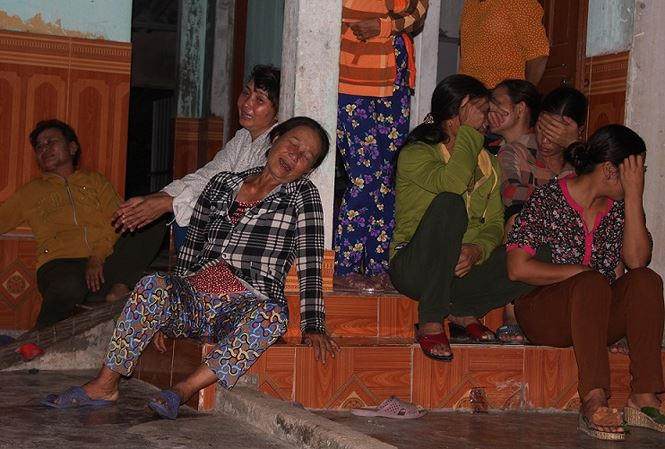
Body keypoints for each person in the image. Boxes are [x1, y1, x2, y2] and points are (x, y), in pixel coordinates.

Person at [43, 117, 340, 419]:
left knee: (273, 316)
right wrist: (166, 311)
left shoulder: (302, 196)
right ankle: (105, 385)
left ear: (308, 170)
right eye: (293, 144)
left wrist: (314, 325)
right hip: (196, 297)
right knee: (152, 285)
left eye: (306, 156)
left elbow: (311, 261)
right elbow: (192, 246)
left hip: (244, 304)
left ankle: (182, 391)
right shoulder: (222, 183)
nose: (295, 156)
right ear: (275, 139)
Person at [506, 125, 664, 441]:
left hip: (595, 314)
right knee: (591, 282)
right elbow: (517, 268)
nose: (639, 177)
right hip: (544, 313)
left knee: (646, 280)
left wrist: (634, 196)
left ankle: (643, 396)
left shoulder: (620, 209)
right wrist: (579, 272)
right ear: (609, 170)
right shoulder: (549, 197)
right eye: (635, 170)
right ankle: (593, 398)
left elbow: (636, 261)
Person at [388, 74, 534, 361]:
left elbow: (495, 224)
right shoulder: (417, 153)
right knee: (450, 203)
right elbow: (453, 184)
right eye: (481, 110)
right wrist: (467, 131)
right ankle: (431, 319)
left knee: (540, 252)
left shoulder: (489, 164)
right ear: (459, 112)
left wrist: (477, 249)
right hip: (415, 268)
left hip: (460, 273)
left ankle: (461, 309)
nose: (487, 119)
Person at [0, 120, 163, 328]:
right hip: (60, 265)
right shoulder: (30, 192)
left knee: (151, 218)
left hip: (105, 262)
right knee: (69, 284)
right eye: (39, 146)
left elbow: (117, 219)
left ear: (72, 147)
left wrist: (97, 256)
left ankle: (120, 287)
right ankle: (40, 333)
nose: (44, 149)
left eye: (51, 142)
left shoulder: (96, 181)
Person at [113, 65, 281, 248]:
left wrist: (169, 203)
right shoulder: (242, 138)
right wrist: (157, 198)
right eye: (246, 93)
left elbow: (239, 205)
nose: (247, 103)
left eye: (259, 100)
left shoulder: (276, 149)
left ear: (278, 113)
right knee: (182, 217)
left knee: (184, 215)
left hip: (253, 242)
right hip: (226, 235)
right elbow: (207, 178)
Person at [335, 0, 429, 290]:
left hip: (396, 73)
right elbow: (347, 15)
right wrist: (389, 22)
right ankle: (344, 266)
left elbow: (418, 11)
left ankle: (379, 265)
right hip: (352, 80)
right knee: (365, 176)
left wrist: (385, 25)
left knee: (388, 177)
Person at [494, 85, 585, 342]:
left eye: (556, 134)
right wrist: (563, 198)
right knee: (518, 218)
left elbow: (597, 194)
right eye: (543, 128)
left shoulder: (584, 162)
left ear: (576, 132)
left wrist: (572, 149)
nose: (545, 140)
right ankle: (512, 313)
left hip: (570, 239)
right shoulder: (516, 151)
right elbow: (512, 194)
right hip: (530, 233)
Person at [459, 0, 550, 88]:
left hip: (503, 93)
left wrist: (525, 95)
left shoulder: (519, 2)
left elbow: (538, 54)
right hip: (469, 91)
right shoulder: (469, 3)